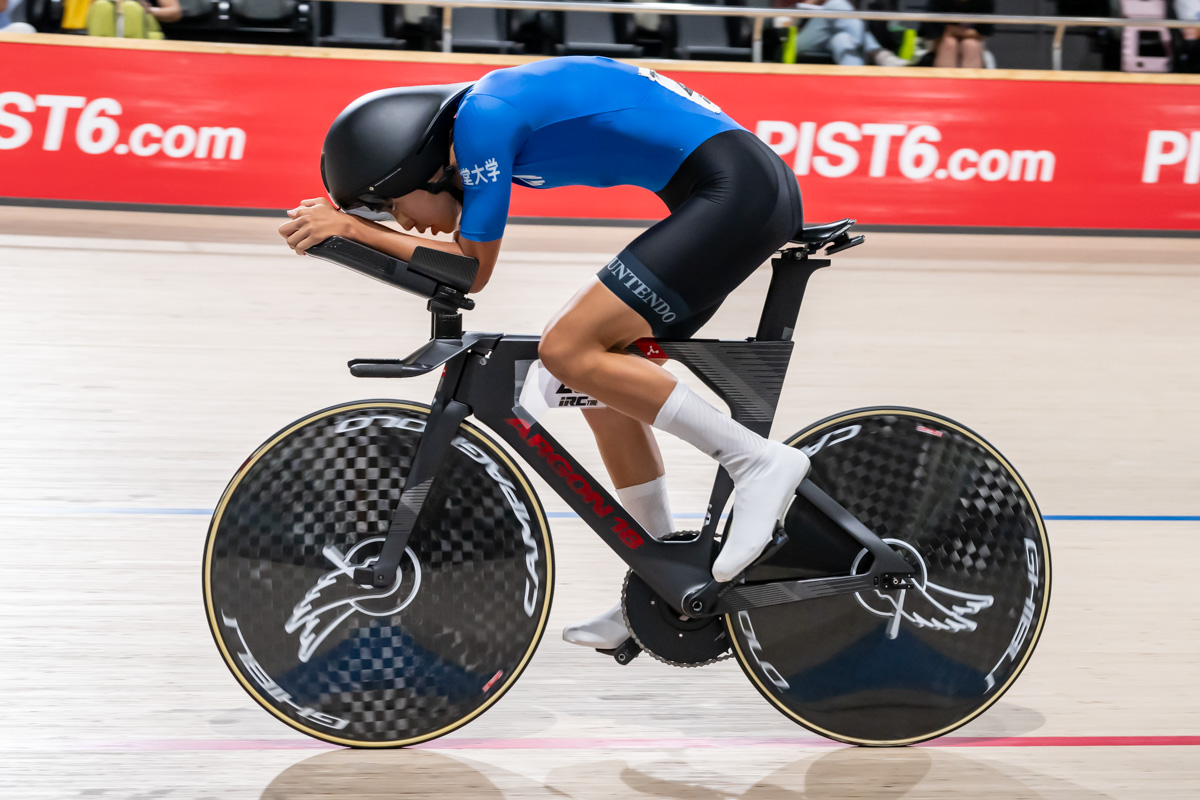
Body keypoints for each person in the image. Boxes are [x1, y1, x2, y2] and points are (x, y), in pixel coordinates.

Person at [279, 57, 811, 651]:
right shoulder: (480, 118)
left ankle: (757, 462)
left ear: (418, 171)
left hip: (736, 192)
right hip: (731, 190)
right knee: (597, 386)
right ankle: (665, 574)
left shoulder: (481, 122)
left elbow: (472, 270)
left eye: (388, 206)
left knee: (567, 349)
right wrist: (359, 232)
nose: (399, 222)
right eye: (379, 217)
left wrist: (354, 231)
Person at [792, 0, 910, 66]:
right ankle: (878, 53)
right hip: (799, 34)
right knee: (836, 3)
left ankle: (855, 88)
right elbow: (787, 17)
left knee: (843, 39)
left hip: (833, 30)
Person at [920, 0, 994, 68]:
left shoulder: (984, 2)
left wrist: (952, 30)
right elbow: (934, 33)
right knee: (949, 44)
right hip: (941, 46)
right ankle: (945, 78)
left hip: (974, 45)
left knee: (971, 45)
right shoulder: (937, 3)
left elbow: (984, 31)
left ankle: (970, 78)